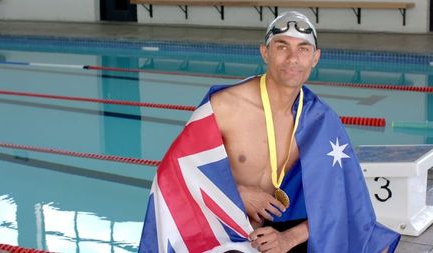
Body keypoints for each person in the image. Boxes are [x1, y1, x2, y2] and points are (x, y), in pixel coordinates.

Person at [139, 11, 400, 253]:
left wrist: (289, 238)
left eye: (303, 49)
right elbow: (172, 175)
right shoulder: (224, 106)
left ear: (315, 58)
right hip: (224, 225)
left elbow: (344, 201)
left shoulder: (320, 119)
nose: (292, 59)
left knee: (376, 242)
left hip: (279, 225)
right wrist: (238, 192)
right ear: (265, 52)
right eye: (282, 47)